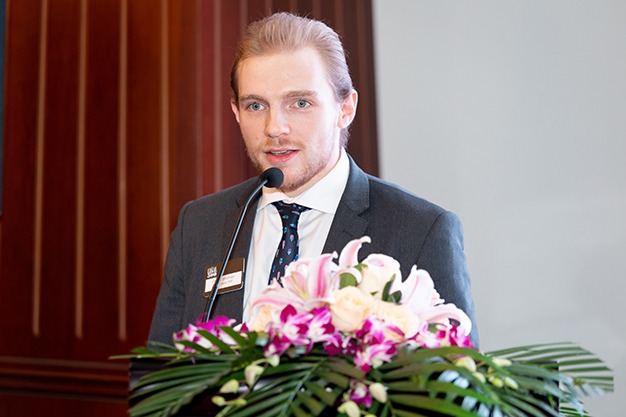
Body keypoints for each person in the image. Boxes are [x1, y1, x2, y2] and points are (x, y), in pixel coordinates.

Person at [148, 12, 479, 347]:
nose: (274, 128)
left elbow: (455, 376)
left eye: (300, 103)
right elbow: (156, 371)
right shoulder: (199, 225)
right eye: (256, 106)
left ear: (345, 109)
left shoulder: (420, 231)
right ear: (236, 112)